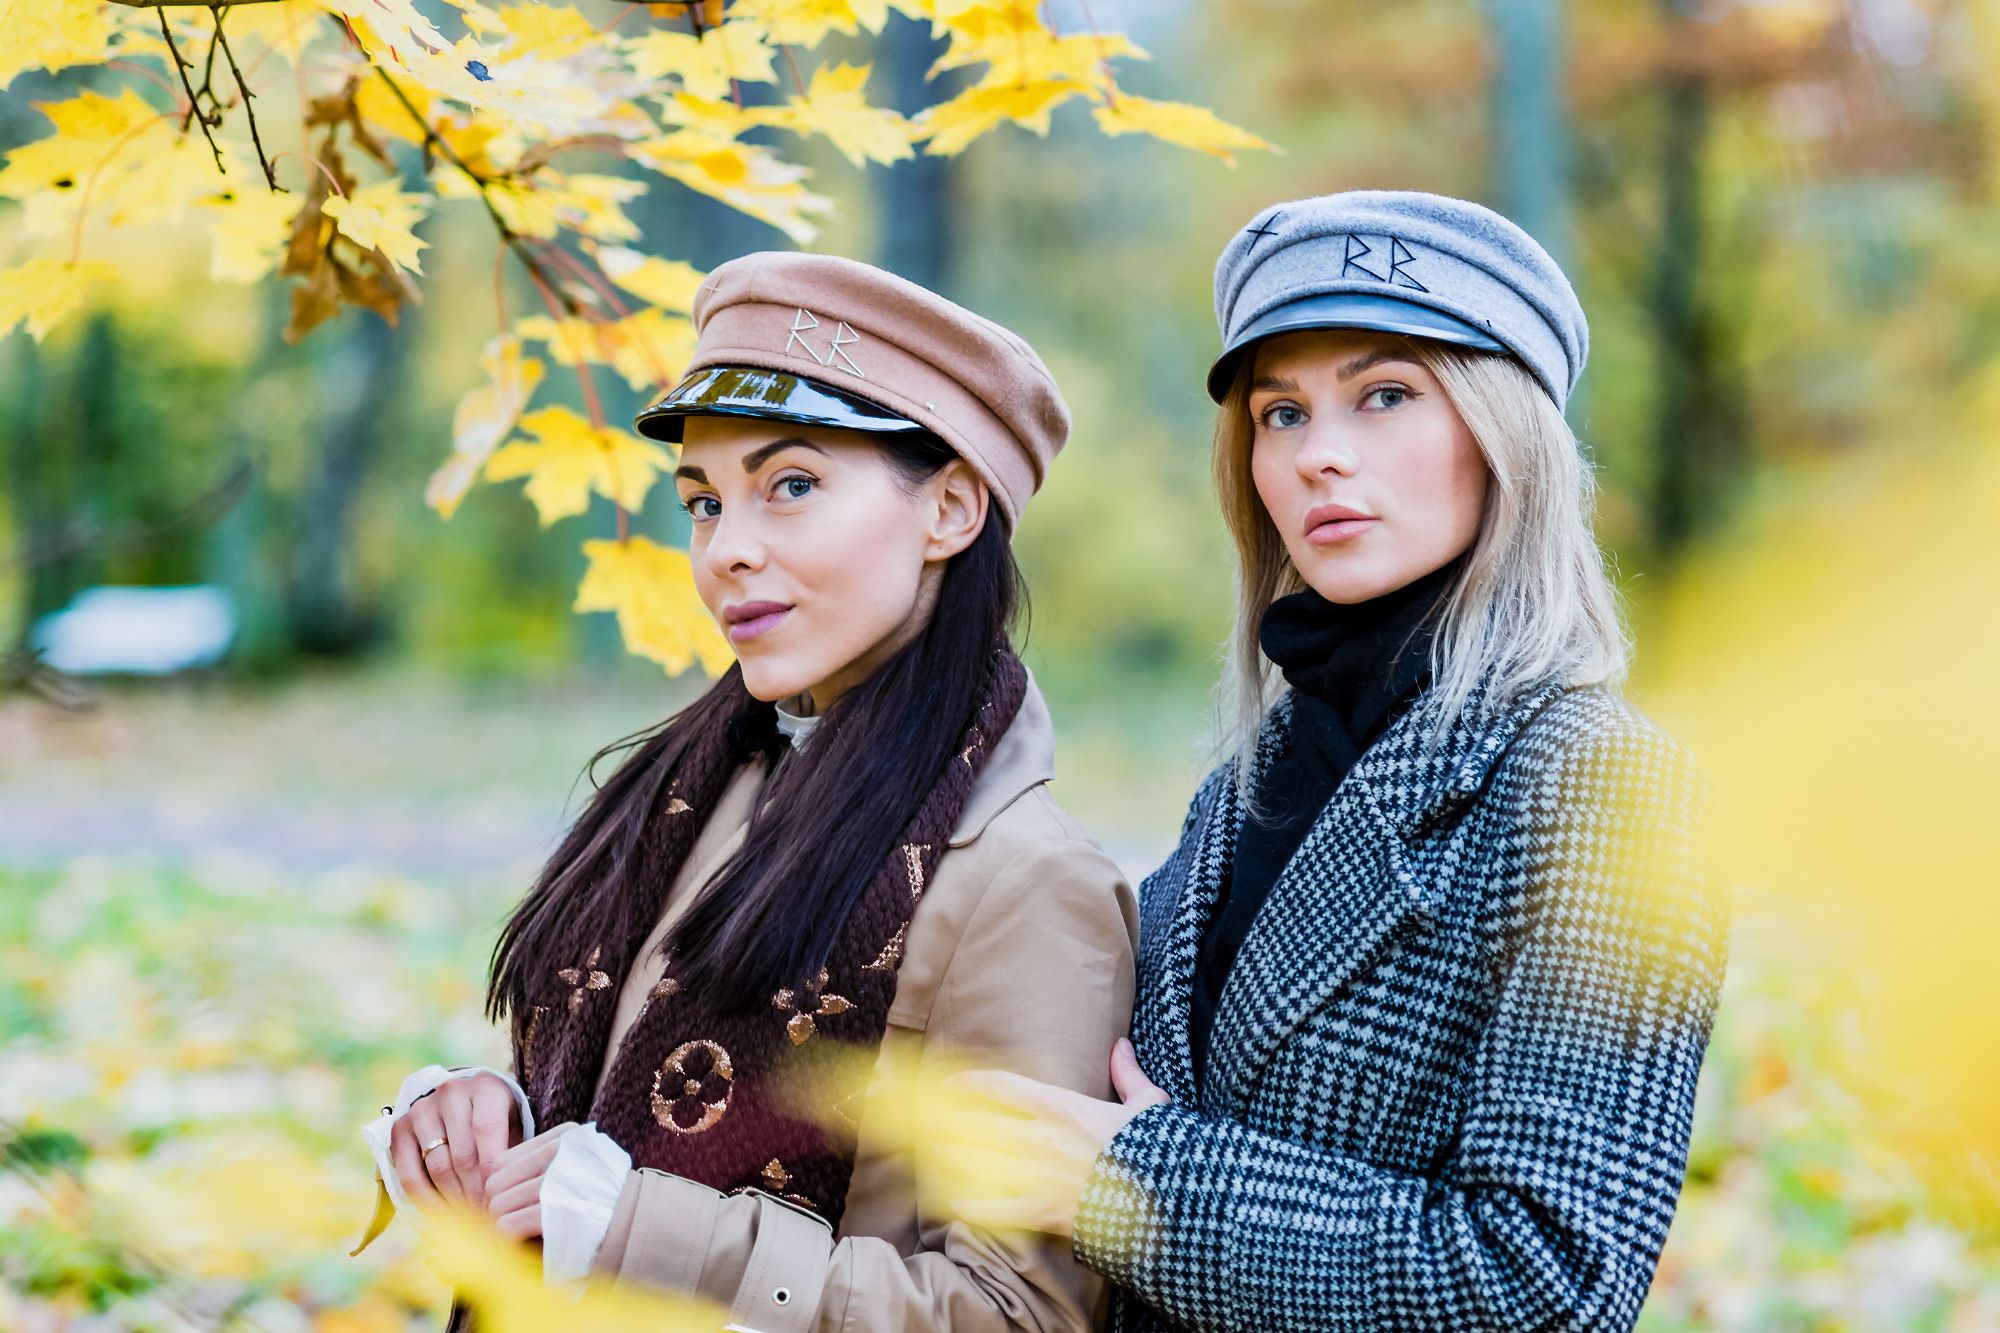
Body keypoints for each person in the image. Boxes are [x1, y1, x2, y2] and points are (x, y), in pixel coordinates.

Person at [939, 191, 1730, 1333]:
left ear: (1501, 433)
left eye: (1385, 396)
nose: (1319, 457)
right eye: (1280, 414)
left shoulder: (1597, 782)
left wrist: (1134, 1188)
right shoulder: (1256, 774)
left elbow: (1550, 1278)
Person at [357, 252, 1138, 1333]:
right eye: (703, 501)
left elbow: (1017, 1314)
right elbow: (615, 1109)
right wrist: (483, 1121)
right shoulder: (695, 788)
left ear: (950, 508)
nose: (727, 549)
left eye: (791, 486)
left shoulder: (1024, 882)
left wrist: (646, 1230)